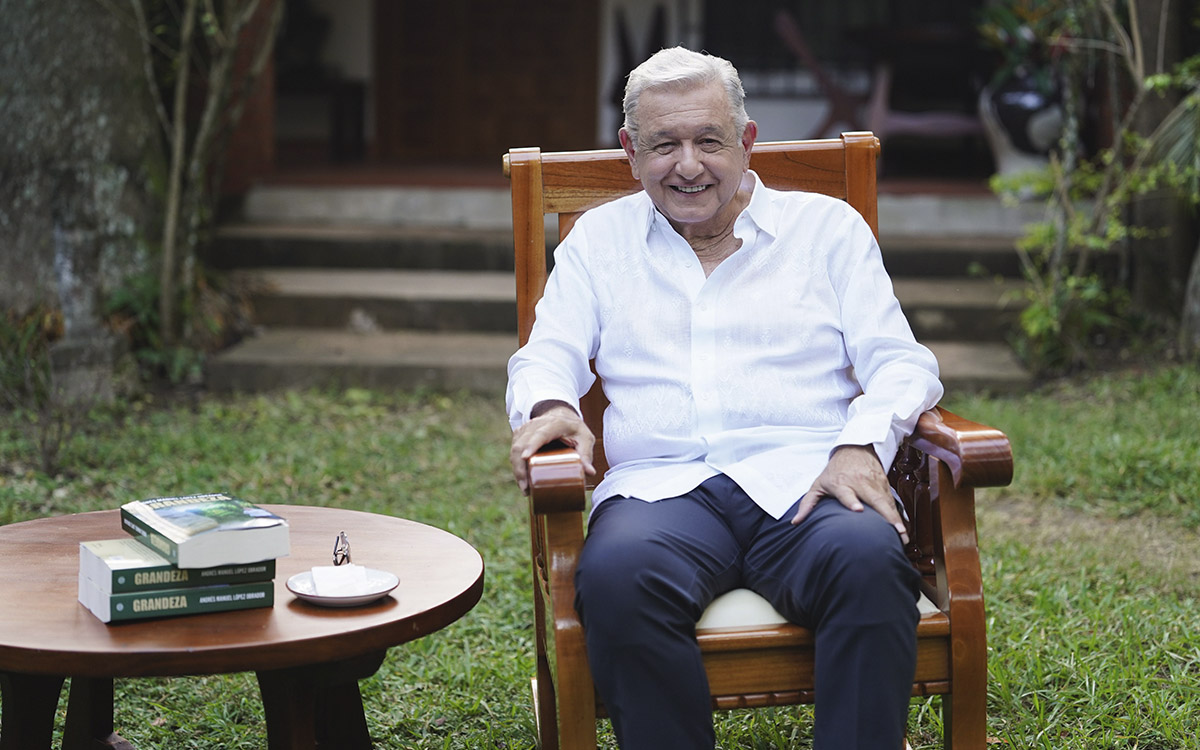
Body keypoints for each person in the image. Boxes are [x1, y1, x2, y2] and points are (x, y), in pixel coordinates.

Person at [506, 46, 943, 750]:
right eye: (663, 144)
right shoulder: (598, 244)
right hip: (662, 494)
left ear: (746, 141)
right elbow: (547, 352)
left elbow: (901, 362)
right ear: (629, 150)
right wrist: (551, 406)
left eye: (708, 140)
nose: (687, 165)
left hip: (807, 483)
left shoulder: (826, 232)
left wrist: (861, 445)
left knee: (868, 562)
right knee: (617, 577)